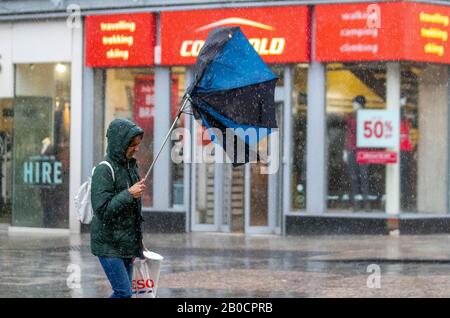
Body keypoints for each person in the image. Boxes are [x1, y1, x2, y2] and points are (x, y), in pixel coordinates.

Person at [90, 118, 147, 298]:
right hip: (108, 244)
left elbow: (132, 212)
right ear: (120, 144)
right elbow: (102, 210)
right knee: (123, 293)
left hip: (126, 244)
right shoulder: (103, 170)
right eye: (132, 145)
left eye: (138, 145)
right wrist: (129, 194)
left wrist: (138, 241)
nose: (136, 149)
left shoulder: (130, 167)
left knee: (124, 293)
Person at [343, 95, 370, 211]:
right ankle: (358, 203)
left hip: (362, 150)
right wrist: (345, 150)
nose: (353, 105)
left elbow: (349, 135)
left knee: (362, 177)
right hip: (354, 149)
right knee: (355, 177)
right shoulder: (351, 117)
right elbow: (348, 135)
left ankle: (363, 203)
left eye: (355, 103)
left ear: (359, 104)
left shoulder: (365, 116)